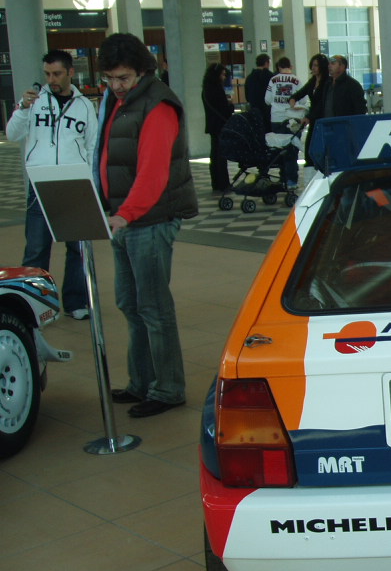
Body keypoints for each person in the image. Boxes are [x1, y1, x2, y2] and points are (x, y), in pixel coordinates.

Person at [94, 32, 198, 418]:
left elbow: (153, 174)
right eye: (110, 78)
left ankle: (168, 388)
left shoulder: (158, 105)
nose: (116, 86)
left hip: (148, 221)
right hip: (124, 220)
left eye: (123, 78)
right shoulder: (119, 102)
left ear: (142, 71)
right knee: (130, 304)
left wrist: (125, 214)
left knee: (154, 308)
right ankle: (141, 381)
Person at [6, 49, 97, 320]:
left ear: (70, 72)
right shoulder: (34, 102)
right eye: (47, 74)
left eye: (57, 73)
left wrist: (91, 182)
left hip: (75, 184)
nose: (52, 79)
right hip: (41, 183)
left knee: (77, 247)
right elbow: (12, 134)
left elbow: (92, 145)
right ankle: (34, 306)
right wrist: (22, 108)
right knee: (36, 247)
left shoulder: (84, 106)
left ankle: (76, 302)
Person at [264, 57, 305, 189]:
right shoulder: (297, 80)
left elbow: (267, 99)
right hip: (292, 120)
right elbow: (304, 100)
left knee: (279, 150)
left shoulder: (273, 80)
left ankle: (282, 178)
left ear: (278, 67)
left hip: (276, 119)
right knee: (292, 151)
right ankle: (292, 181)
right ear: (290, 66)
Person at [201, 62, 235, 193]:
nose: (224, 77)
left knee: (214, 155)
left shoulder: (205, 89)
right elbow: (225, 110)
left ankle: (216, 182)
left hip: (211, 125)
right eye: (222, 74)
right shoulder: (217, 89)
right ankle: (224, 183)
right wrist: (231, 105)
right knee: (221, 156)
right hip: (220, 125)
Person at [290, 54, 329, 166]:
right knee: (309, 148)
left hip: (321, 118)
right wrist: (293, 100)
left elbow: (322, 103)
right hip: (313, 118)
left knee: (317, 146)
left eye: (316, 65)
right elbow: (300, 93)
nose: (313, 68)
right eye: (312, 65)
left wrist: (309, 117)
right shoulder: (312, 81)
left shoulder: (327, 82)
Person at [244, 53, 273, 128]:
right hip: (268, 111)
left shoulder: (249, 78)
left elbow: (247, 96)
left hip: (254, 110)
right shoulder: (271, 77)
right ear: (266, 63)